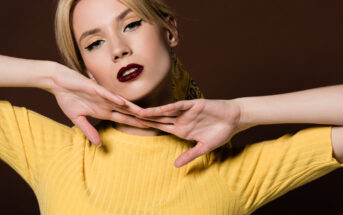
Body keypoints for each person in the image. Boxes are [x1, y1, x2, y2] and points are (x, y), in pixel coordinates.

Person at [0, 0, 342, 214]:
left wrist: (243, 113)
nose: (118, 49)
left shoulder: (234, 175)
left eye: (131, 24)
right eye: (95, 43)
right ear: (86, 68)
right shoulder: (51, 152)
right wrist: (48, 76)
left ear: (169, 30)